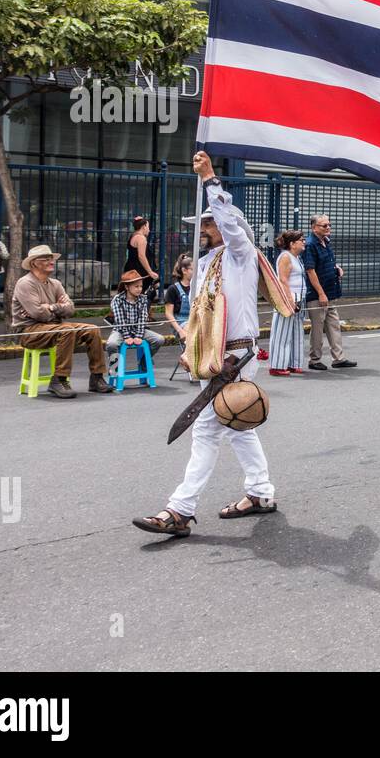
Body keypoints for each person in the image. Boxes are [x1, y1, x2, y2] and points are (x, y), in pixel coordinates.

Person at [133, 151, 278, 538]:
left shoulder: (240, 253)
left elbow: (232, 225)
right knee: (237, 427)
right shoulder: (207, 263)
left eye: (209, 221)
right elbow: (199, 314)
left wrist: (211, 179)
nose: (204, 226)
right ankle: (261, 493)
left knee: (206, 430)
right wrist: (190, 348)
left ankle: (180, 510)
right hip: (211, 353)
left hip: (235, 353)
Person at [11, 244, 113, 398]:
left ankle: (97, 377)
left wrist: (50, 307)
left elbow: (71, 309)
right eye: (46, 259)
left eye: (51, 258)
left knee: (92, 329)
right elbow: (39, 315)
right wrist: (57, 310)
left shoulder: (55, 284)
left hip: (54, 326)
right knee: (66, 330)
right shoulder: (25, 283)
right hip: (29, 331)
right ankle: (59, 379)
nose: (51, 261)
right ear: (34, 263)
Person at [303, 214, 355, 371]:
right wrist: (320, 293)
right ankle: (314, 359)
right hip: (318, 294)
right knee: (317, 328)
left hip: (330, 292)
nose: (328, 228)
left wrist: (336, 269)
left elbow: (326, 263)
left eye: (329, 225)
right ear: (314, 228)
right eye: (323, 225)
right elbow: (310, 270)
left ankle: (338, 358)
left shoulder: (325, 242)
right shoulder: (311, 244)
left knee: (334, 326)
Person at [269, 230, 308, 375]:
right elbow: (283, 280)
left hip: (299, 298)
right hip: (289, 298)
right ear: (292, 244)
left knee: (297, 332)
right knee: (282, 333)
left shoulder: (296, 257)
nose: (304, 242)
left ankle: (294, 363)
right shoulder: (285, 257)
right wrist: (290, 302)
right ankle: (277, 366)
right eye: (301, 240)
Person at [107, 269, 165, 364]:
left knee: (159, 339)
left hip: (138, 329)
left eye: (141, 286)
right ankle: (115, 366)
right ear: (127, 287)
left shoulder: (143, 298)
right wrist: (126, 337)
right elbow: (120, 320)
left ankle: (144, 361)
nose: (139, 289)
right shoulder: (117, 299)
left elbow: (142, 319)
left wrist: (138, 336)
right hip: (121, 331)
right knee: (111, 344)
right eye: (136, 286)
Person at [162, 254, 194, 343]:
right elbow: (168, 313)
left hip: (194, 319)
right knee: (193, 333)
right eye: (192, 269)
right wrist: (180, 331)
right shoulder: (173, 289)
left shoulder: (197, 287)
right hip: (180, 322)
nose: (196, 271)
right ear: (184, 270)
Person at [124, 215, 159, 289]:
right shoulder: (141, 238)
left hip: (131, 269)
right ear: (144, 226)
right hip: (139, 272)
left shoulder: (133, 235)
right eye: (148, 227)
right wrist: (150, 272)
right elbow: (141, 256)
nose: (149, 230)